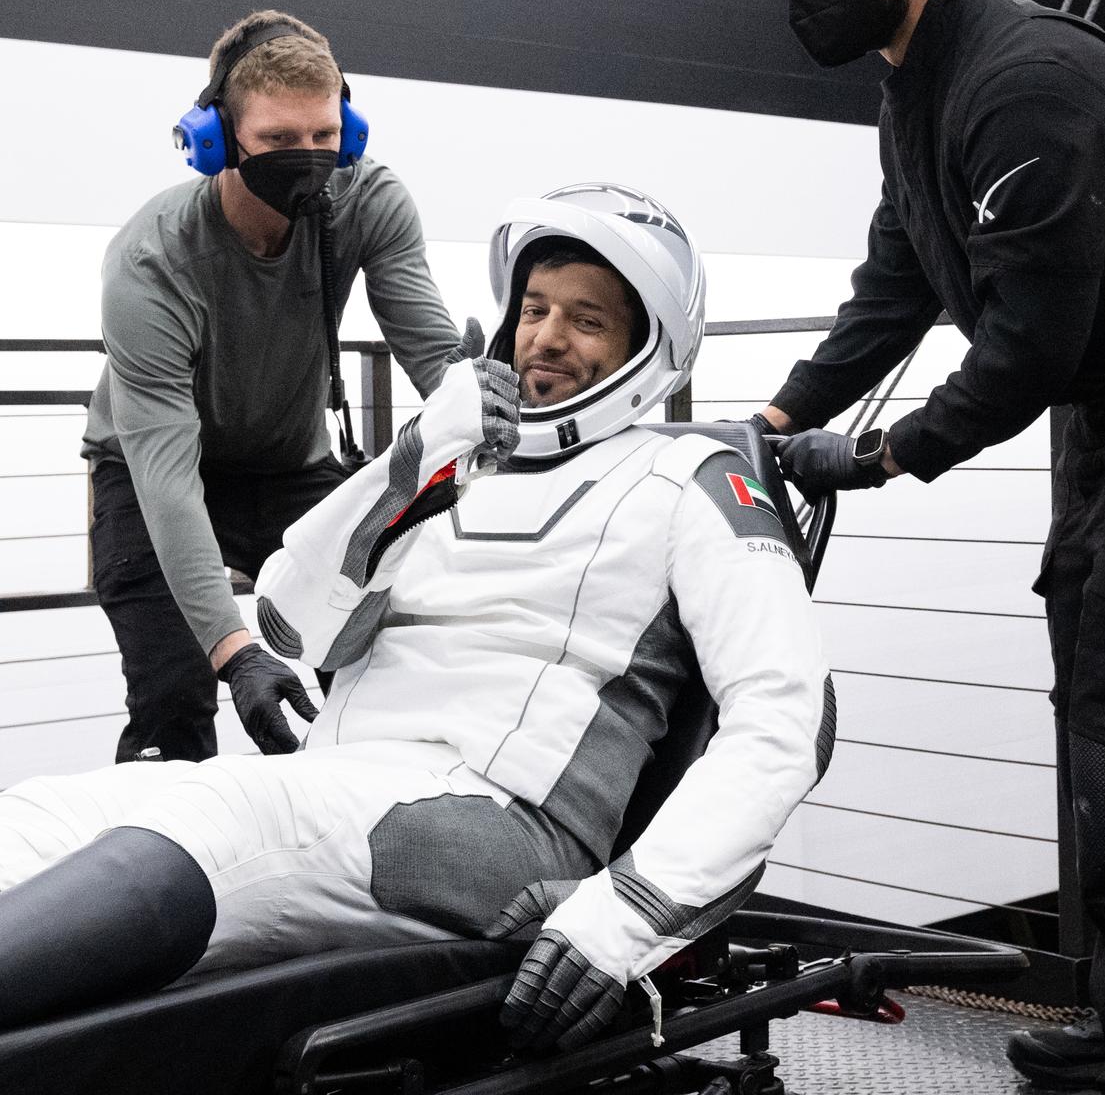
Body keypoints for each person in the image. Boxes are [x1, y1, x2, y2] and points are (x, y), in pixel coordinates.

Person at [0, 184, 832, 1052]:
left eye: (587, 321)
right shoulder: (452, 471)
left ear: (647, 348)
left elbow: (786, 717)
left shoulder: (692, 480)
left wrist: (626, 915)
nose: (546, 337)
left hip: (500, 823)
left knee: (219, 815)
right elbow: (287, 624)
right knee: (45, 813)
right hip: (350, 784)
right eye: (535, 308)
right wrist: (420, 450)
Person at [755, 0, 1105, 1092]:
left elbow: (1027, 339)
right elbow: (894, 282)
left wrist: (887, 452)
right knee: (1104, 733)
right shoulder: (917, 86)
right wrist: (781, 419)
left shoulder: (1024, 82)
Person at [81, 10, 461, 764]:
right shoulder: (152, 260)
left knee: (369, 671)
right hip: (153, 473)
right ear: (217, 139)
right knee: (174, 699)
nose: (309, 157)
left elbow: (433, 357)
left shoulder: (369, 202)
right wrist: (236, 651)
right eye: (279, 140)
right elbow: (166, 477)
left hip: (290, 467)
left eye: (324, 136)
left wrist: (495, 410)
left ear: (347, 130)